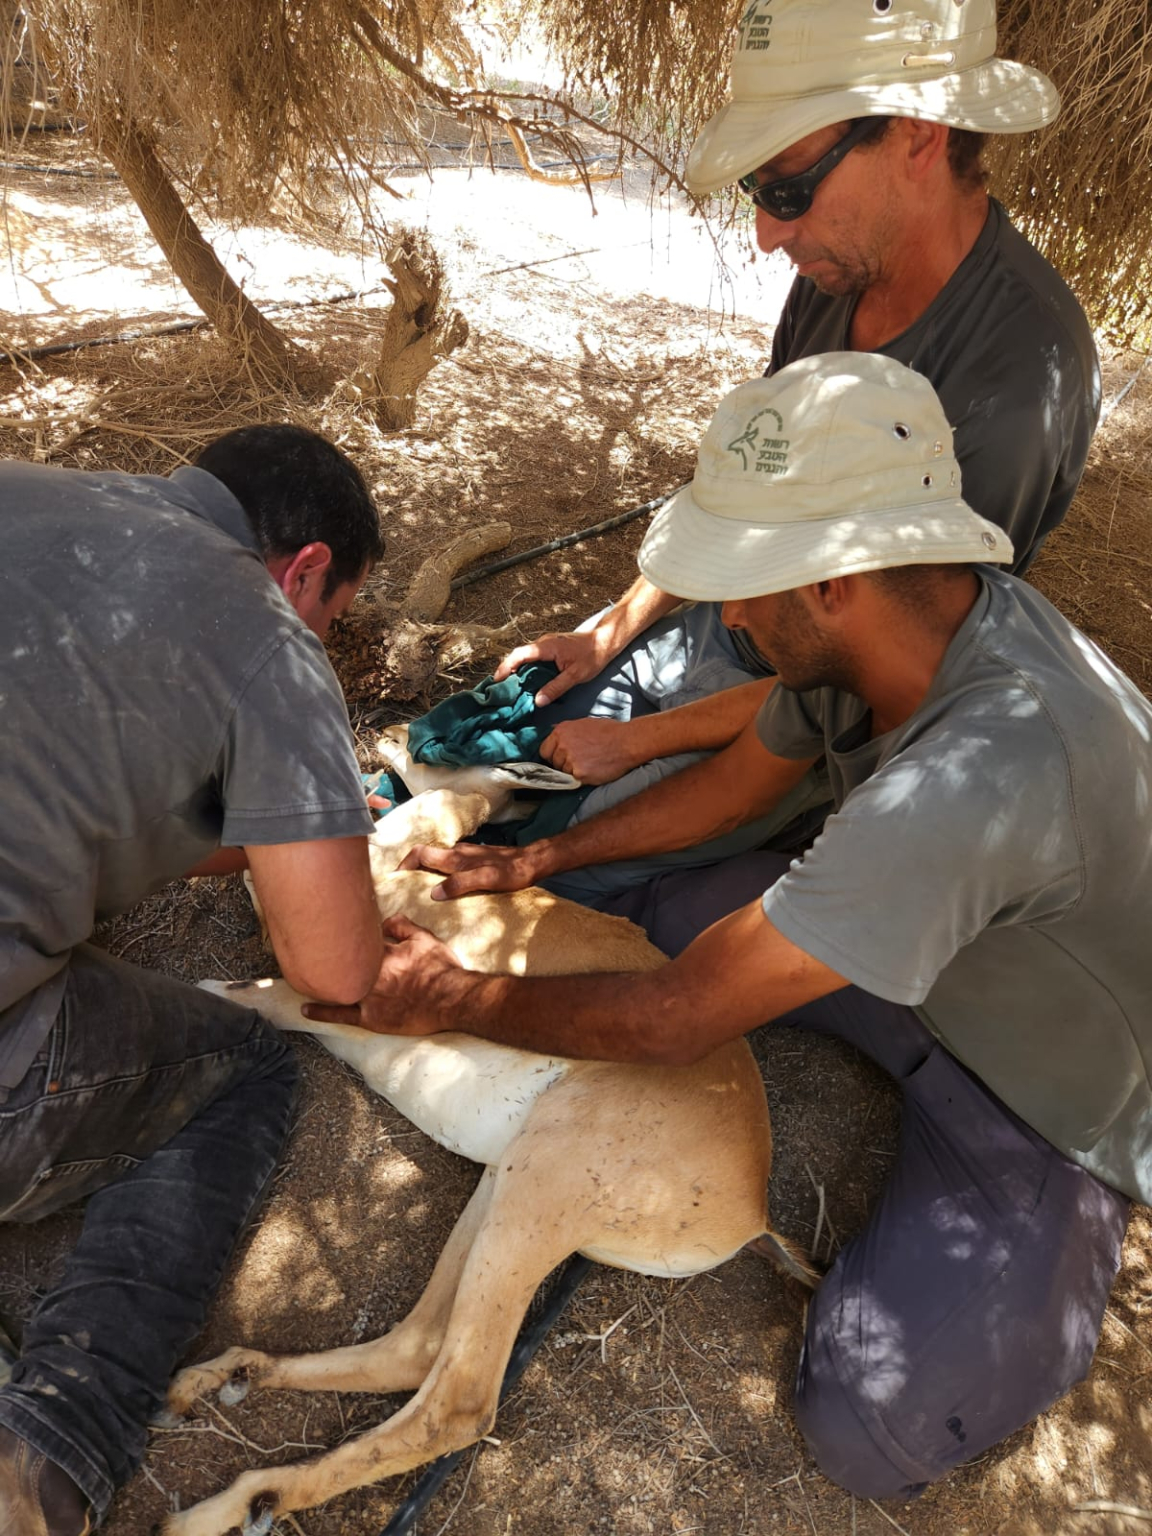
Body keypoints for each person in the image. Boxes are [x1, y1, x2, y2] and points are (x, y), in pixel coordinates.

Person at [314, 354, 1150, 1499]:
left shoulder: (979, 771)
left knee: (866, 1419)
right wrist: (540, 856)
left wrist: (437, 997)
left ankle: (1063, 1240)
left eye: (744, 583)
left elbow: (672, 1018)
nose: (730, 615)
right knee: (637, 887)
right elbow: (738, 789)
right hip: (933, 954)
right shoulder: (909, 620)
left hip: (1058, 1090)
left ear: (831, 583)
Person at [493, 0, 1099, 887]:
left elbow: (862, 682)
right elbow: (753, 489)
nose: (768, 234)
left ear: (918, 136)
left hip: (809, 704)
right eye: (757, 193)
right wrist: (612, 629)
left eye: (785, 189)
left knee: (537, 858)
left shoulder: (1016, 381)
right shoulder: (838, 272)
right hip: (738, 629)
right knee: (503, 740)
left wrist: (637, 741)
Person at [0, 425, 387, 1535]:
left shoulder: (31, 486)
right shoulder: (267, 636)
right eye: (336, 620)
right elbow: (333, 967)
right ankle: (56, 1444)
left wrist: (284, 822)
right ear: (307, 569)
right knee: (252, 1068)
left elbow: (108, 772)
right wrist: (335, 835)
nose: (324, 639)